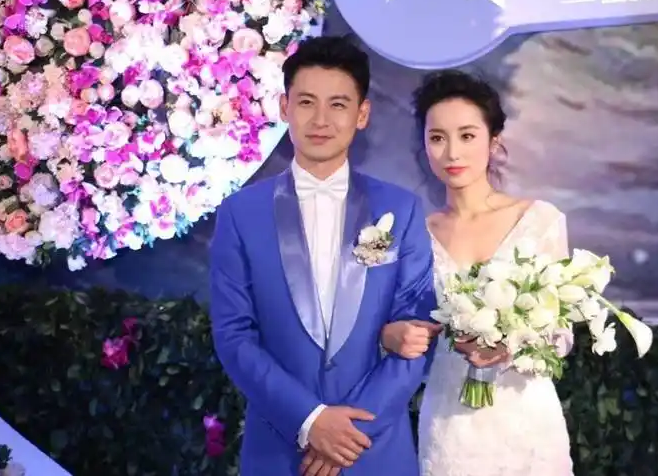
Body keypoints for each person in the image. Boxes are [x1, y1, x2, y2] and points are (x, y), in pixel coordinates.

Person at [209, 36, 440, 476]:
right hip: (280, 450)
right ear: (284, 107)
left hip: (374, 449)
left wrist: (346, 435)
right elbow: (234, 335)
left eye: (338, 104)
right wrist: (310, 420)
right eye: (306, 102)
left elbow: (418, 333)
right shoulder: (240, 213)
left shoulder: (400, 209)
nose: (320, 120)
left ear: (362, 114)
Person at [380, 70, 574, 475]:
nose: (452, 153)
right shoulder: (415, 234)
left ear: (493, 140)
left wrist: (510, 346)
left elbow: (561, 336)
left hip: (528, 420)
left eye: (467, 135)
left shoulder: (539, 220)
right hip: (450, 422)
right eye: (437, 138)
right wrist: (394, 334)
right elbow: (401, 326)